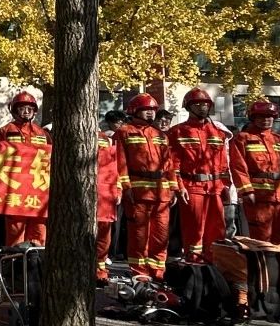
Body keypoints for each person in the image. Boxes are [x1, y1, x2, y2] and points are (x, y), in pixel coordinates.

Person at [167, 87, 234, 262]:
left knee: (217, 229)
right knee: (194, 229)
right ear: (188, 107)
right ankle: (194, 263)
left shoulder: (217, 132)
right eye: (197, 104)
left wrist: (226, 186)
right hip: (192, 187)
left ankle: (214, 263)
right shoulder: (177, 132)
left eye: (205, 104)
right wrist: (179, 187)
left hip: (215, 188)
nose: (202, 107)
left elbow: (223, 164)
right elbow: (173, 164)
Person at [114, 93, 176, 279]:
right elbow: (119, 162)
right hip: (137, 192)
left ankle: (158, 270)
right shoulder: (124, 132)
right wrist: (125, 187)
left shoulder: (160, 135)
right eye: (145, 110)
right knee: (139, 235)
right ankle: (140, 271)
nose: (150, 113)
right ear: (134, 111)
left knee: (161, 234)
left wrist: (173, 188)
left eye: (152, 110)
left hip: (161, 192)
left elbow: (169, 164)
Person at [231, 100, 280, 243]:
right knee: (262, 238)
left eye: (270, 117)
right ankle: (265, 259)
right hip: (259, 198)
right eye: (261, 117)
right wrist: (247, 191)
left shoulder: (279, 140)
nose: (266, 120)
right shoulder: (243, 138)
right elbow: (238, 167)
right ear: (253, 118)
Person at [0, 91, 50, 246]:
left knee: (39, 227)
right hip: (14, 186)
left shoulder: (42, 133)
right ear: (15, 110)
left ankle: (35, 259)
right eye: (22, 108)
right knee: (15, 227)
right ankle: (15, 259)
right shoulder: (5, 131)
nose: (26, 111)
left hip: (38, 187)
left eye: (30, 108)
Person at [96, 127, 128, 283]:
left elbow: (115, 167)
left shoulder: (105, 139)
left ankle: (100, 270)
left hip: (105, 194)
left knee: (104, 235)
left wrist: (119, 190)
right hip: (80, 195)